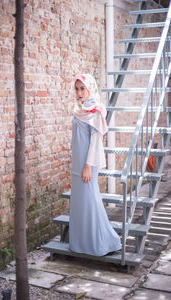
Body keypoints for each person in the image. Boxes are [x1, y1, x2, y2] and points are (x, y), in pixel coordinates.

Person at [68, 74, 121, 256]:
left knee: (91, 201)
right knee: (79, 203)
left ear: (90, 89)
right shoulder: (78, 109)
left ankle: (101, 242)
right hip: (77, 162)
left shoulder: (96, 112)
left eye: (83, 88)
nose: (79, 92)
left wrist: (88, 166)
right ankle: (81, 243)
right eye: (77, 89)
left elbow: (96, 141)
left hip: (87, 163)